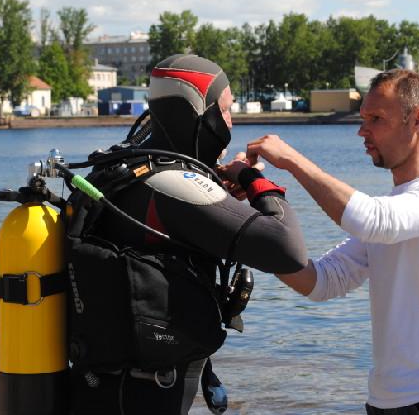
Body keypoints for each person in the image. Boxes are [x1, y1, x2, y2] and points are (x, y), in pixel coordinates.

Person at [226, 69, 419, 414]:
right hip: (388, 399)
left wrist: (292, 161)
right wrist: (244, 212)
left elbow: (373, 220)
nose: (362, 131)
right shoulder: (396, 210)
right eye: (363, 118)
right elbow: (321, 282)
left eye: (376, 119)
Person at [68, 54, 308, 415]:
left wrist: (222, 190)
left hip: (110, 388)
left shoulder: (130, 168)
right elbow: (287, 249)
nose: (230, 122)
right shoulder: (173, 183)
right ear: (198, 111)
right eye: (225, 110)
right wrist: (256, 181)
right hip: (139, 395)